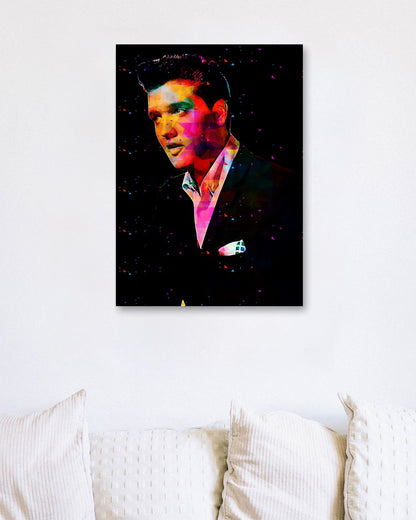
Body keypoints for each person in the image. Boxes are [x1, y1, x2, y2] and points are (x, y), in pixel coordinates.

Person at [136, 54, 302, 306]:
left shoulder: (282, 188)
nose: (165, 130)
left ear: (219, 114)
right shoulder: (169, 196)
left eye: (179, 111)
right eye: (156, 117)